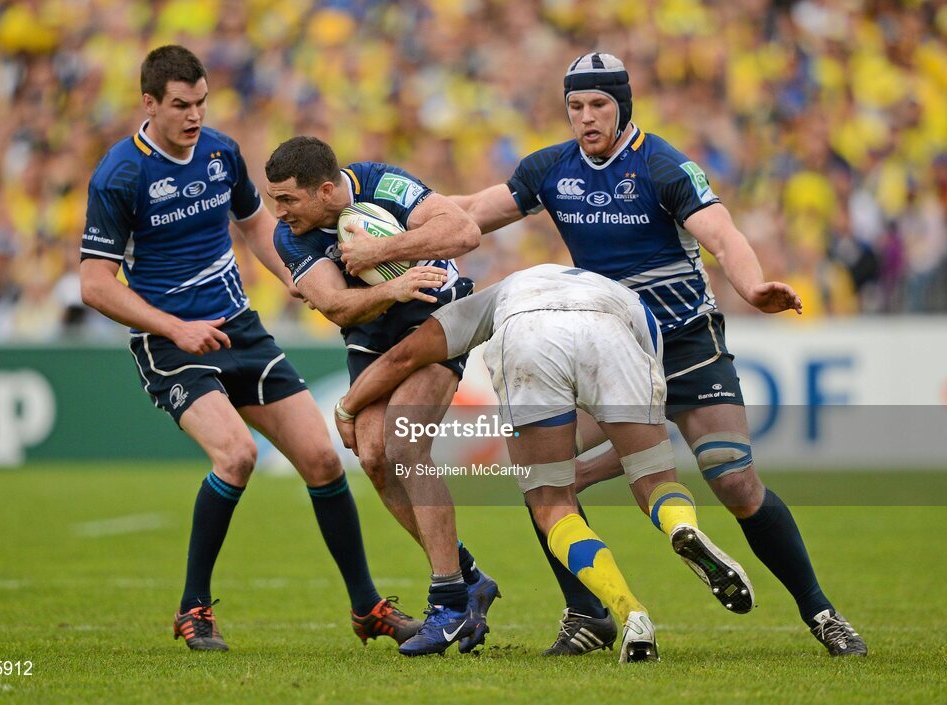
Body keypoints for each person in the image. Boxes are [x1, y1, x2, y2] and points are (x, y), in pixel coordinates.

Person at [450, 52, 866, 657]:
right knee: (545, 474)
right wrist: (390, 209)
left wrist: (752, 286)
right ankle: (587, 615)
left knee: (736, 483)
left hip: (683, 341)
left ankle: (823, 613)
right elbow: (468, 212)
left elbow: (722, 234)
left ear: (623, 106)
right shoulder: (550, 169)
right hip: (610, 348)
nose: (586, 118)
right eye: (576, 107)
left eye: (598, 105)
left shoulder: (664, 165)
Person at [79, 45, 421, 652]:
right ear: (149, 102)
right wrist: (174, 328)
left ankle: (367, 607)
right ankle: (193, 610)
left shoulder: (221, 153)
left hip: (239, 326)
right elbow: (94, 283)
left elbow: (257, 224)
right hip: (172, 343)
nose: (194, 116)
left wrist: (294, 277)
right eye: (180, 105)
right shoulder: (120, 175)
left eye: (202, 102)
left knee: (320, 458)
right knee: (235, 456)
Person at [334, 263, 757, 663]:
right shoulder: (629, 301)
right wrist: (598, 468)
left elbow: (401, 358)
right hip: (613, 332)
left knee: (551, 503)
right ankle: (681, 526)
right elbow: (646, 428)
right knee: (654, 477)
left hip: (528, 333)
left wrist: (348, 407)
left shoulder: (499, 294)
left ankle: (630, 614)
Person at [267, 136, 498, 656]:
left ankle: (450, 604)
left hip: (438, 318)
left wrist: (382, 251)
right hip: (371, 337)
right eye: (273, 199)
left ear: (327, 190)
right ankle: (468, 577)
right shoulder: (291, 237)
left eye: (287, 200)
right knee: (372, 456)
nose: (278, 213)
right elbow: (336, 306)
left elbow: (463, 230)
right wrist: (390, 287)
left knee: (404, 444)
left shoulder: (382, 183)